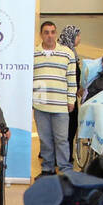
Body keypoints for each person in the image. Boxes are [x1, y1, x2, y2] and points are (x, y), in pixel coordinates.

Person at [32, 21, 77, 176]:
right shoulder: (33, 53)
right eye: (46, 32)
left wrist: (71, 100)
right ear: (41, 35)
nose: (50, 36)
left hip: (60, 105)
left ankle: (65, 170)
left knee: (62, 139)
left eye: (52, 32)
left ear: (56, 34)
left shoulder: (67, 53)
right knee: (45, 140)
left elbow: (72, 79)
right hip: (40, 104)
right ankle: (47, 169)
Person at [59, 25, 83, 145]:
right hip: (66, 96)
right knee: (69, 125)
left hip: (71, 93)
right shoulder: (67, 53)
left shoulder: (72, 52)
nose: (79, 38)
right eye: (78, 36)